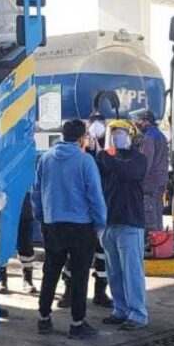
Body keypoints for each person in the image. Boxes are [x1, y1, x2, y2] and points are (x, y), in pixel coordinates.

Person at [31, 119, 108, 339]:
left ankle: (44, 319)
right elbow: (95, 196)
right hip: (81, 228)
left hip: (52, 224)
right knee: (79, 275)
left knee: (50, 272)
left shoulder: (45, 159)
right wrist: (101, 224)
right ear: (82, 138)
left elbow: (36, 192)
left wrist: (41, 218)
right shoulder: (85, 162)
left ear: (62, 136)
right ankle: (77, 324)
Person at [97, 120, 149, 331]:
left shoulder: (139, 160)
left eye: (120, 133)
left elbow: (127, 172)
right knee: (115, 272)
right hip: (110, 224)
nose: (116, 137)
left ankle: (138, 314)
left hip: (130, 223)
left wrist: (102, 155)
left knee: (132, 272)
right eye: (114, 133)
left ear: (131, 137)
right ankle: (120, 310)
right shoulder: (110, 160)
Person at [58, 113, 112, 309]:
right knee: (73, 256)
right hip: (80, 213)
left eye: (101, 123)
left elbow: (112, 170)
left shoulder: (108, 147)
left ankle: (100, 292)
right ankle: (69, 292)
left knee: (101, 255)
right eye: (93, 123)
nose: (97, 126)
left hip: (99, 209)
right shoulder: (79, 153)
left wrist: (100, 150)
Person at [132, 109, 170, 234]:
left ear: (146, 121)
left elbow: (145, 162)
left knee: (149, 210)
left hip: (150, 181)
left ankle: (150, 239)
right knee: (157, 209)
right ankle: (158, 239)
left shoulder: (148, 138)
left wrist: (138, 178)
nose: (137, 123)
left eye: (139, 120)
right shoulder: (161, 136)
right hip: (161, 179)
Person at [0, 196, 38, 295]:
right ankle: (2, 279)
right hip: (4, 195)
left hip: (25, 196)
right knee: (2, 240)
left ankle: (27, 279)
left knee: (25, 241)